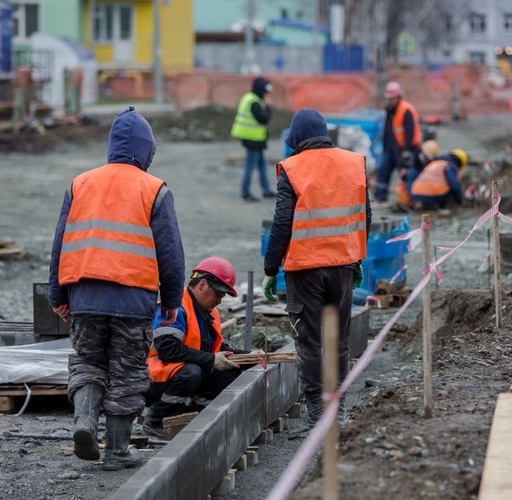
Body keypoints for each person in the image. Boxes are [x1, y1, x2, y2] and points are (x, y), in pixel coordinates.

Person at [48, 107, 186, 470]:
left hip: (84, 297)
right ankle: (117, 451)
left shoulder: (80, 184)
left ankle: (84, 422)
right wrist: (172, 299)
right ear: (147, 149)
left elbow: (59, 243)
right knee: (128, 372)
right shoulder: (154, 189)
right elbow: (170, 251)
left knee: (88, 361)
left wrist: (57, 295)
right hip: (133, 299)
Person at [261, 108, 372, 439]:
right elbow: (365, 215)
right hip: (342, 267)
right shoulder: (354, 163)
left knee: (309, 342)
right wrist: (356, 258)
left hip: (305, 270)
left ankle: (316, 416)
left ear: (296, 139)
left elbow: (282, 222)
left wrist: (270, 269)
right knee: (339, 340)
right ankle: (339, 412)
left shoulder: (292, 168)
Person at [143, 256, 262, 437]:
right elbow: (168, 349)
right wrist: (212, 359)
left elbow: (218, 349)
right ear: (202, 284)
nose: (220, 300)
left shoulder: (209, 313)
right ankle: (155, 420)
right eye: (218, 294)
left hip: (181, 377)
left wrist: (250, 356)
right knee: (193, 372)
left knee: (229, 372)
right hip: (155, 380)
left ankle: (193, 417)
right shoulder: (175, 307)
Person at [374, 81, 422, 203]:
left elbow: (410, 132)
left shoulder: (406, 110)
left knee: (405, 174)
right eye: (389, 99)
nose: (390, 101)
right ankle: (380, 197)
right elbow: (387, 130)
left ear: (399, 97)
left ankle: (407, 200)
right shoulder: (390, 111)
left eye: (392, 98)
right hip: (391, 148)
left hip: (404, 148)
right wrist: (385, 147)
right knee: (383, 171)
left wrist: (406, 150)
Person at [231, 76, 275, 202]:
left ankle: (266, 191)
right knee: (249, 168)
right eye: (266, 92)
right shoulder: (254, 102)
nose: (267, 95)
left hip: (256, 140)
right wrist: (269, 107)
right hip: (252, 140)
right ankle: (245, 194)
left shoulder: (251, 98)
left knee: (262, 166)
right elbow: (263, 119)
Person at [394, 139, 439, 210]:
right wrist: (416, 200)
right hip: (406, 196)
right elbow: (410, 184)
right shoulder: (413, 166)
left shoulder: (425, 161)